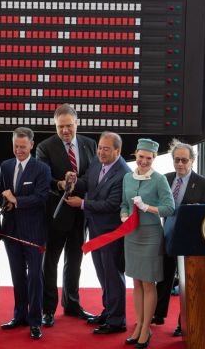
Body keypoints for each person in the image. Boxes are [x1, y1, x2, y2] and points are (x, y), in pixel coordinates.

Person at [35, 104, 97, 326]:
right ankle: (48, 309)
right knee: (49, 263)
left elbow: (93, 176)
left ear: (76, 123)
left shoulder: (90, 145)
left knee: (75, 261)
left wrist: (76, 184)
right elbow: (43, 179)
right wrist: (61, 184)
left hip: (80, 213)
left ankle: (72, 304)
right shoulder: (45, 147)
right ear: (55, 125)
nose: (65, 131)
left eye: (69, 126)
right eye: (60, 126)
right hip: (55, 213)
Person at [152, 140, 205, 337]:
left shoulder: (203, 184)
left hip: (191, 241)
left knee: (188, 284)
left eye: (184, 160)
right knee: (163, 277)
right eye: (176, 160)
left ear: (193, 161)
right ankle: (157, 314)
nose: (180, 164)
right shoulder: (165, 178)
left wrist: (192, 210)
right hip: (167, 236)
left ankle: (184, 323)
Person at [71, 132, 131, 335]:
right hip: (95, 229)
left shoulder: (124, 173)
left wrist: (83, 204)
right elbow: (87, 181)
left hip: (111, 233)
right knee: (103, 274)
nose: (101, 152)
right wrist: (73, 181)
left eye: (106, 149)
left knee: (113, 276)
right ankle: (109, 311)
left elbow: (112, 204)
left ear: (117, 150)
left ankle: (117, 321)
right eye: (99, 148)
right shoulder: (97, 162)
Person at [120, 138, 175, 348]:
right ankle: (139, 323)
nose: (144, 161)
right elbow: (123, 204)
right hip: (132, 235)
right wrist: (124, 215)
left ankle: (146, 328)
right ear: (135, 154)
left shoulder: (159, 180)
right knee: (135, 282)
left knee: (148, 282)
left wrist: (147, 207)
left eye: (148, 158)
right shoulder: (127, 178)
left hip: (151, 235)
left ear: (154, 159)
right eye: (141, 157)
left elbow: (169, 208)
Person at [0, 127, 50, 340]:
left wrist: (16, 200)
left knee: (35, 278)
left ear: (31, 144)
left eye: (23, 146)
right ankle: (19, 316)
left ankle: (35, 321)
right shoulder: (6, 166)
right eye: (16, 146)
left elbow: (41, 198)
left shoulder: (42, 168)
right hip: (10, 230)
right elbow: (1, 193)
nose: (19, 150)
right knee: (17, 275)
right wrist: (6, 202)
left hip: (33, 232)